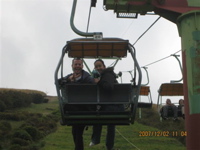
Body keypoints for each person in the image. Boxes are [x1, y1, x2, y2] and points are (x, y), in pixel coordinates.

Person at [60, 58, 94, 150]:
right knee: (76, 132)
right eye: (76, 64)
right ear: (72, 66)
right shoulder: (70, 76)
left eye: (79, 65)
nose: (77, 66)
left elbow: (91, 86)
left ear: (82, 66)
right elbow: (59, 81)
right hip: (75, 108)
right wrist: (68, 79)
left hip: (84, 108)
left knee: (77, 131)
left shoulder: (87, 77)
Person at [90, 59, 123, 150]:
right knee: (110, 124)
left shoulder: (107, 75)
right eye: (96, 66)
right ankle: (109, 146)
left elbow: (108, 87)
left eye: (99, 66)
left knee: (98, 114)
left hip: (113, 107)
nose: (98, 68)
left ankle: (96, 139)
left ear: (104, 66)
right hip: (114, 106)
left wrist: (98, 82)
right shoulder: (105, 76)